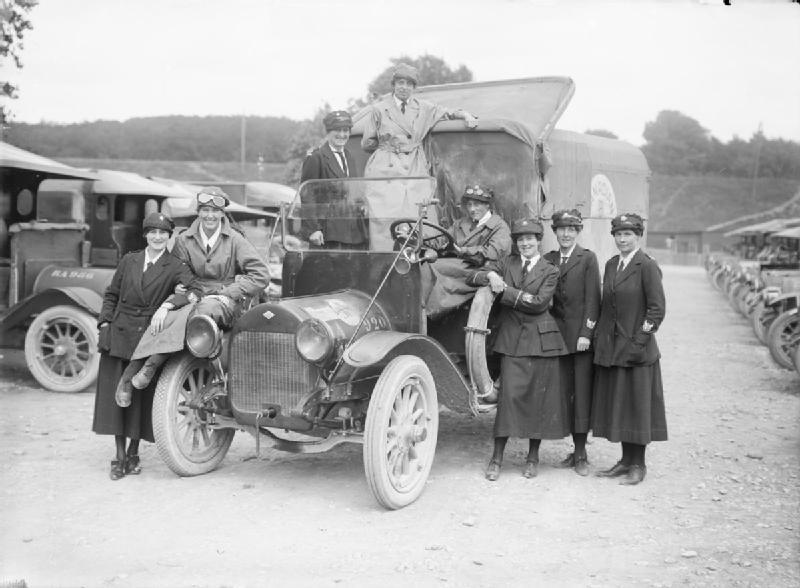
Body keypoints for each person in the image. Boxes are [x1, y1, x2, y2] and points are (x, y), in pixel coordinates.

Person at [128, 186, 271, 389]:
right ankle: (141, 367)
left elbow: (261, 275)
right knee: (162, 316)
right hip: (193, 295)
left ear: (222, 214)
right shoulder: (183, 240)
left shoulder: (235, 240)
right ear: (199, 212)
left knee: (205, 310)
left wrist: (228, 293)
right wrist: (177, 289)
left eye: (215, 211)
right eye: (205, 210)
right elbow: (176, 272)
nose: (209, 216)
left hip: (225, 301)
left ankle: (153, 363)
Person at [92, 212, 200, 480]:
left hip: (148, 337)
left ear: (169, 236)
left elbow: (193, 290)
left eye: (163, 233)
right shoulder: (129, 260)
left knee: (140, 398)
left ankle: (134, 452)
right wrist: (104, 323)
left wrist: (168, 304)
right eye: (152, 232)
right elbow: (112, 294)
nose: (157, 237)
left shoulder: (174, 264)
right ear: (145, 235)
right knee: (116, 400)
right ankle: (118, 456)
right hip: (119, 334)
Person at [467, 219, 568, 481]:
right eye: (521, 239)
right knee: (508, 399)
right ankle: (496, 459)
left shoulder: (550, 269)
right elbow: (472, 276)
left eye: (530, 239)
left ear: (539, 241)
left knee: (538, 401)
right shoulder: (506, 263)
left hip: (541, 343)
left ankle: (532, 458)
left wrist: (507, 291)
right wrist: (490, 275)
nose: (525, 243)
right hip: (511, 341)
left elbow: (538, 304)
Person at [592, 213, 667, 486]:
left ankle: (639, 465)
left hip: (638, 350)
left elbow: (656, 309)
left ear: (638, 236)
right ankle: (625, 461)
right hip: (614, 349)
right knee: (622, 406)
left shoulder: (646, 266)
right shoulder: (612, 265)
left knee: (638, 407)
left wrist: (639, 341)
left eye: (628, 234)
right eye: (618, 234)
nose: (622, 239)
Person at [543, 209, 601, 476]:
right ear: (555, 232)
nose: (566, 234)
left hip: (579, 341)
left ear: (578, 232)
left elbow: (593, 300)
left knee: (580, 394)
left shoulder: (587, 259)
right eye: (561, 229)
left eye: (571, 229)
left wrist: (585, 335)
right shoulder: (548, 259)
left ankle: (580, 453)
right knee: (560, 393)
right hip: (555, 339)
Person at [361, 62, 478, 178]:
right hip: (385, 168)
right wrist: (388, 148)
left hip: (414, 166)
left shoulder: (424, 108)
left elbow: (448, 113)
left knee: (417, 195)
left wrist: (465, 115)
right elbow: (367, 143)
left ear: (414, 87)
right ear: (394, 85)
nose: (404, 87)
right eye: (400, 83)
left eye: (409, 84)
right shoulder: (378, 109)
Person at [422, 184, 512, 318]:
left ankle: (423, 309)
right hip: (460, 266)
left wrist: (463, 251)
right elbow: (440, 240)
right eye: (469, 205)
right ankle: (421, 307)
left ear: (487, 205)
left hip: (480, 270)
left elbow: (492, 253)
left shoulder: (500, 227)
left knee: (429, 266)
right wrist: (418, 238)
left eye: (476, 204)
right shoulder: (461, 223)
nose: (472, 209)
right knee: (421, 264)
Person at [300, 110, 367, 249]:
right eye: (337, 130)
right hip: (327, 233)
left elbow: (353, 190)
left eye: (346, 130)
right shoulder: (316, 157)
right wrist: (313, 229)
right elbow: (307, 195)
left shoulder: (349, 156)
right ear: (328, 132)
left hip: (352, 232)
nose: (342, 135)